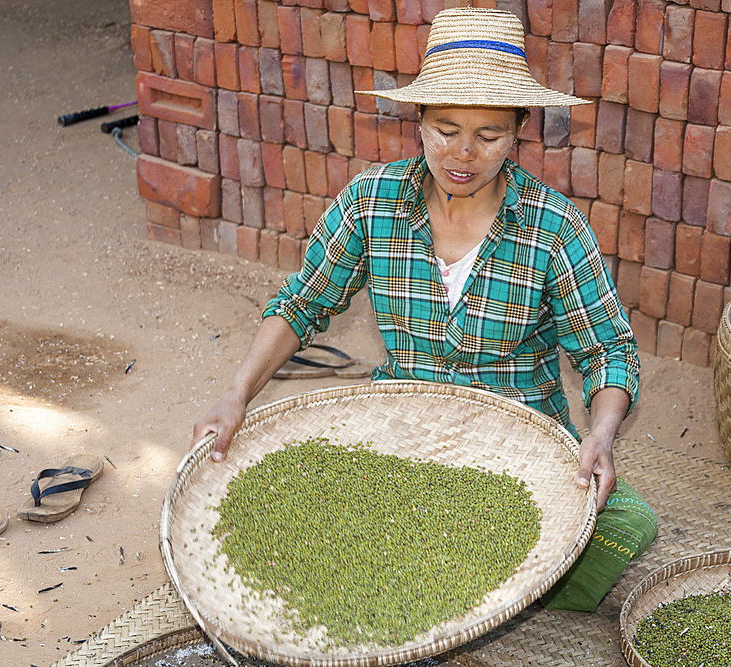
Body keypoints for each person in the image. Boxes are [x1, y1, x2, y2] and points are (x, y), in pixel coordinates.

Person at [192, 7, 655, 612]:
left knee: (626, 525)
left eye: (488, 136)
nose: (463, 153)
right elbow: (301, 304)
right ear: (417, 121)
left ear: (520, 130)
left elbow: (608, 350)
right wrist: (235, 394)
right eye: (445, 129)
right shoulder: (371, 203)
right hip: (405, 437)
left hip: (514, 451)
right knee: (307, 516)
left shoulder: (552, 226)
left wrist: (600, 435)